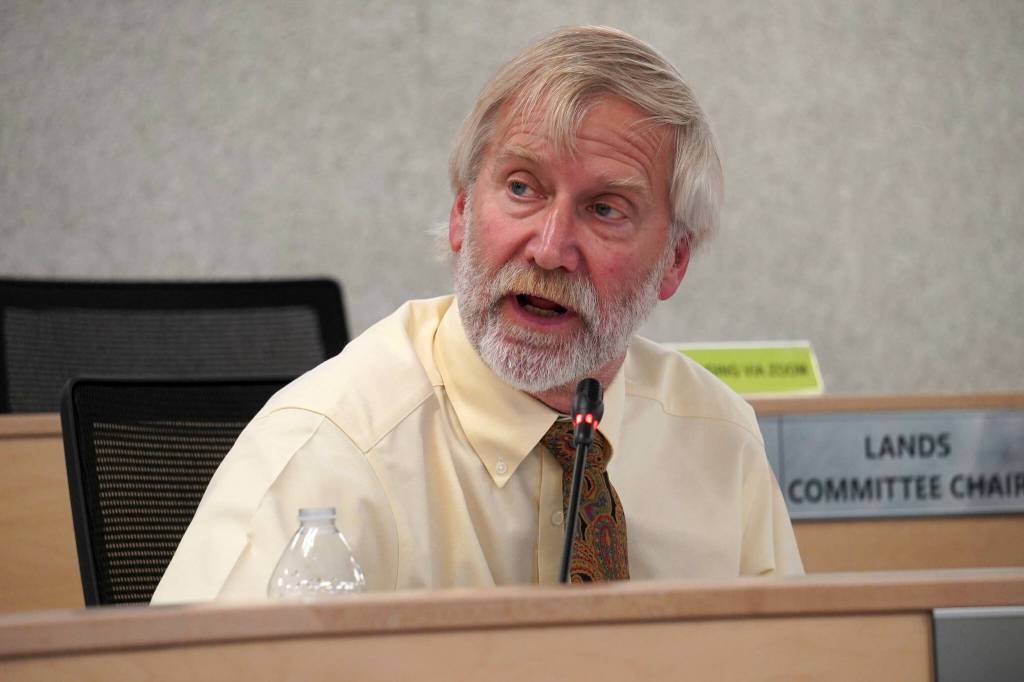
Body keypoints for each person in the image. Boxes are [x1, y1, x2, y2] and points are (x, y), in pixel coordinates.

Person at [152, 25, 802, 604]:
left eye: (605, 209)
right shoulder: (331, 452)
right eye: (522, 188)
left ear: (675, 262)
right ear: (463, 211)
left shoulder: (719, 439)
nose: (549, 247)